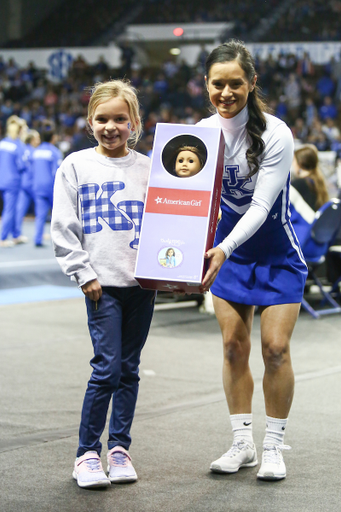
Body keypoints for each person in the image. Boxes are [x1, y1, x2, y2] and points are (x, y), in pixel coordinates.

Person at [197, 40, 307, 481]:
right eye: (217, 84)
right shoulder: (202, 134)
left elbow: (261, 208)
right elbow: (188, 201)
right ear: (206, 84)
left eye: (235, 84)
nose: (226, 93)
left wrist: (224, 248)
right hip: (228, 254)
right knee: (232, 346)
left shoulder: (276, 133)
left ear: (252, 83)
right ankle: (242, 443)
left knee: (275, 350)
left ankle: (274, 447)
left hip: (276, 252)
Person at [51, 79, 155, 489]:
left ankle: (119, 449)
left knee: (129, 369)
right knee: (107, 369)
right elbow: (63, 226)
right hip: (102, 285)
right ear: (89, 120)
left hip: (142, 284)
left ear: (134, 122)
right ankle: (86, 454)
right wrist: (83, 272)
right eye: (101, 118)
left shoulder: (150, 168)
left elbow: (171, 222)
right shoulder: (75, 165)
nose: (110, 126)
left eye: (119, 119)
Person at [289, 144, 329, 247]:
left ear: (299, 163)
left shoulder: (299, 184)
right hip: (316, 242)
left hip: (303, 240)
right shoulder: (317, 182)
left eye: (293, 161)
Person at [32, 120, 63, 247]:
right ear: (53, 137)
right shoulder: (55, 152)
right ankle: (60, 240)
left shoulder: (36, 151)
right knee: (58, 214)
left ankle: (38, 239)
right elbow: (58, 171)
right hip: (51, 187)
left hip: (37, 186)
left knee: (40, 214)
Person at [0, 115, 27, 247]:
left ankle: (16, 235)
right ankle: (3, 238)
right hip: (13, 181)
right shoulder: (18, 145)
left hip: (2, 179)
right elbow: (22, 165)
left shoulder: (2, 143)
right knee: (10, 209)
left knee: (11, 208)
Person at [15, 129, 41, 241]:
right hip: (32, 184)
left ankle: (17, 233)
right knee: (42, 208)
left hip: (23, 183)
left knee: (20, 209)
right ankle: (39, 234)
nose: (39, 140)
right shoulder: (35, 152)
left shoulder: (25, 150)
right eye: (37, 138)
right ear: (32, 140)